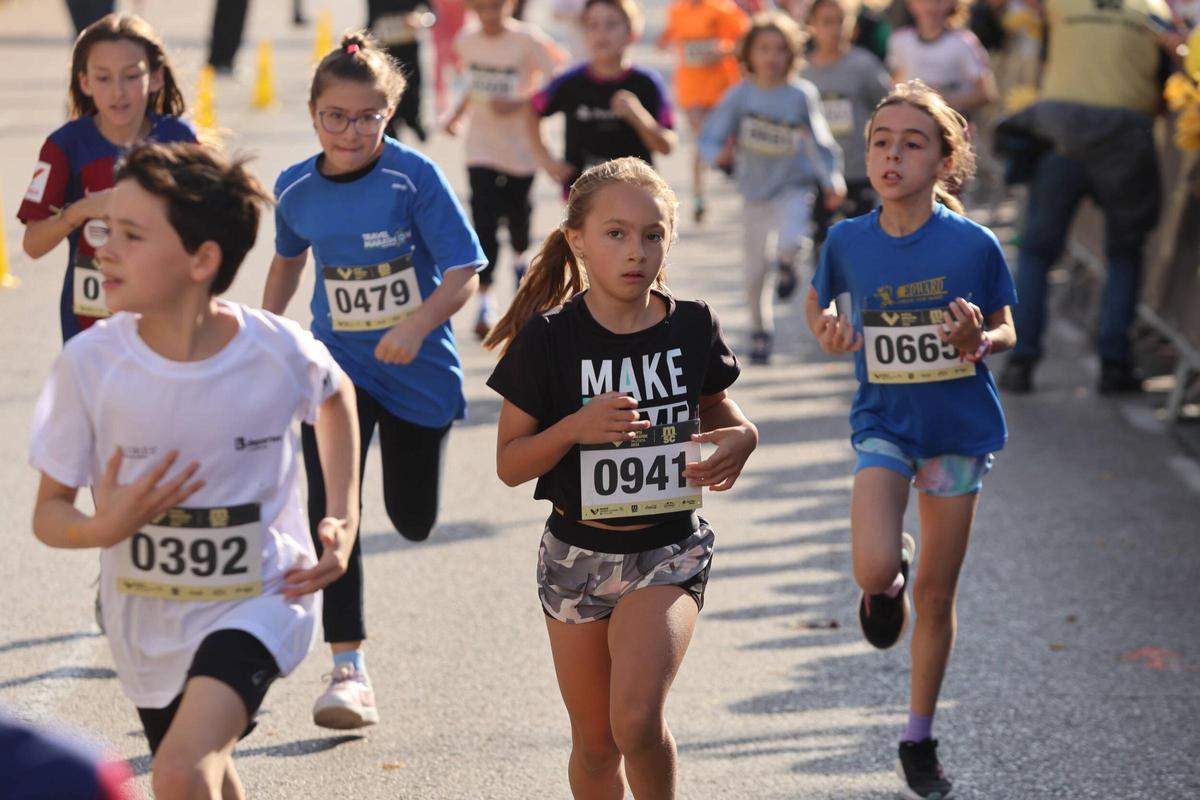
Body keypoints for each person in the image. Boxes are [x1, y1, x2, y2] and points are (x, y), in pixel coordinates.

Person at [29, 141, 360, 800]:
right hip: (147, 617)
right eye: (104, 229)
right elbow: (48, 514)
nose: (103, 249)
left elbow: (334, 396)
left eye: (131, 234)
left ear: (202, 260)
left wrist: (343, 515)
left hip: (264, 594)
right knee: (201, 770)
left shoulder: (273, 349)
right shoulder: (89, 365)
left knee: (179, 770)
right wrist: (107, 526)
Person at [484, 157, 757, 799]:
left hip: (668, 550)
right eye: (616, 234)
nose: (637, 252)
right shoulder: (548, 340)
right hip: (575, 554)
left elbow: (723, 410)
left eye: (652, 235)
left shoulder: (690, 324)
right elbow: (509, 463)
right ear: (577, 240)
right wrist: (573, 429)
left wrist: (744, 438)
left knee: (635, 721)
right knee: (596, 743)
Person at [262, 32, 486, 729]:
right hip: (338, 373)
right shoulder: (296, 187)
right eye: (336, 116)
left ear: (389, 113)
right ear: (313, 113)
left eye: (368, 117)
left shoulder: (413, 177)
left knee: (412, 520)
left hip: (417, 371)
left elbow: (462, 271)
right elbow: (290, 260)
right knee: (336, 518)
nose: (352, 131)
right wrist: (262, 335)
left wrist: (416, 326)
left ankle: (351, 656)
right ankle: (348, 669)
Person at [805, 80, 1016, 799]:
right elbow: (820, 301)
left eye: (912, 143)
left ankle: (918, 736)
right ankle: (882, 576)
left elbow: (1007, 325)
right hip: (885, 423)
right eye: (881, 142)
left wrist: (978, 338)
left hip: (957, 431)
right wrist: (829, 331)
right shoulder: (846, 241)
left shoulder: (973, 244)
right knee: (874, 569)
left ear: (945, 163)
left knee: (937, 591)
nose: (893, 154)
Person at [996, 0, 1176, 394]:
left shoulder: (1058, 4)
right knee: (1125, 254)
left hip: (1063, 136)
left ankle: (1021, 362)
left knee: (1037, 251)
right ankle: (1114, 364)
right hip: (1126, 139)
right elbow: (1168, 91)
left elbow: (1038, 53)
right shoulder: (1155, 10)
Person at [18, 13, 195, 344]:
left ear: (155, 77)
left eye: (131, 76)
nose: (118, 91)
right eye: (103, 78)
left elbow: (211, 227)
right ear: (84, 82)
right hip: (90, 327)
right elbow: (33, 245)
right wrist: (81, 210)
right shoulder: (64, 146)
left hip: (166, 318)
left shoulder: (179, 139)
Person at [698, 12, 845, 365]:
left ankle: (788, 263)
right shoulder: (740, 96)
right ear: (749, 53)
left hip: (793, 185)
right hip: (754, 194)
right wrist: (717, 154)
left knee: (793, 239)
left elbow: (821, 142)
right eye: (763, 49)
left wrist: (832, 179)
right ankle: (760, 329)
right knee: (753, 274)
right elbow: (710, 135)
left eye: (780, 49)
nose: (771, 57)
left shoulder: (800, 94)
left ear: (792, 54)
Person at [444, 0, 567, 338]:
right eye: (481, 8)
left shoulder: (528, 39)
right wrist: (457, 114)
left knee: (517, 218)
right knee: (483, 221)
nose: (489, 14)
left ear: (510, 5)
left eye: (496, 6)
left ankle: (520, 270)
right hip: (480, 148)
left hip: (521, 148)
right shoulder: (466, 42)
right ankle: (485, 302)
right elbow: (474, 81)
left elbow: (559, 80)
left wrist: (521, 101)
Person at [528, 0, 676, 199]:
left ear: (632, 32)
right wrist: (547, 160)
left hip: (636, 197)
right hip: (583, 198)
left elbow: (666, 145)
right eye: (592, 25)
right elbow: (531, 109)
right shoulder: (570, 82)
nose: (601, 33)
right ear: (584, 34)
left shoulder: (647, 83)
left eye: (611, 24)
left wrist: (637, 116)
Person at [802, 0, 891, 257]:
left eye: (841, 21)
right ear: (812, 26)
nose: (834, 29)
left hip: (858, 171)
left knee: (862, 250)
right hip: (816, 175)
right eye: (826, 22)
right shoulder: (802, 71)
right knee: (822, 253)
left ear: (852, 26)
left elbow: (887, 107)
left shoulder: (864, 66)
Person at [657, 0, 749, 222]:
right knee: (701, 141)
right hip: (692, 89)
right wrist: (665, 42)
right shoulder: (677, 11)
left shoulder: (723, 10)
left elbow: (745, 40)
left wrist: (724, 49)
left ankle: (740, 179)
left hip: (721, 87)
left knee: (726, 140)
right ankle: (699, 197)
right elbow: (670, 37)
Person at [887, 0, 996, 116]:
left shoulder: (964, 42)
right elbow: (896, 81)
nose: (930, 7)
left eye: (939, 1)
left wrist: (941, 102)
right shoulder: (899, 40)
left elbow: (986, 94)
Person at [368, 0, 435, 141]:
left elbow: (432, 13)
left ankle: (413, 120)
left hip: (409, 46)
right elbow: (371, 19)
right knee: (387, 89)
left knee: (413, 86)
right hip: (386, 49)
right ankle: (392, 127)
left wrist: (420, 19)